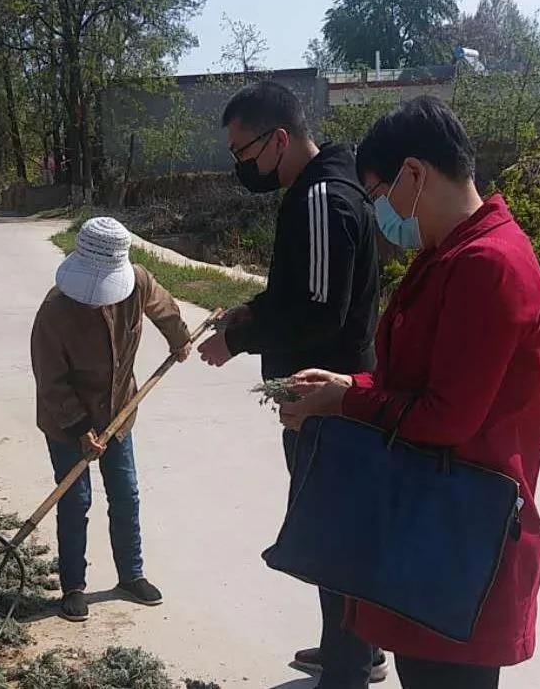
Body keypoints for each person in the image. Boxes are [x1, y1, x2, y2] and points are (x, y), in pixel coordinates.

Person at [280, 96, 540, 689]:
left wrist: (345, 404)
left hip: (461, 544)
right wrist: (349, 382)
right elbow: (413, 381)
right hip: (427, 534)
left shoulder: (490, 266)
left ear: (414, 173)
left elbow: (445, 418)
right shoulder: (446, 256)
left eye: (378, 195)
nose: (382, 211)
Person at [197, 81, 384, 685]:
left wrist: (238, 340)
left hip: (327, 399)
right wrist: (250, 311)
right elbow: (297, 291)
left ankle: (350, 666)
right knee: (333, 528)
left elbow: (319, 311)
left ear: (279, 139)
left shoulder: (324, 198)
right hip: (313, 394)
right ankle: (353, 649)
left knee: (332, 536)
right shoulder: (312, 188)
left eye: (244, 152)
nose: (240, 166)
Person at [30, 216, 192, 622]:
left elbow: (164, 307)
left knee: (126, 493)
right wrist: (80, 429)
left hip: (120, 411)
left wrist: (180, 338)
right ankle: (73, 585)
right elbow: (51, 382)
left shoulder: (136, 282)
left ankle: (131, 575)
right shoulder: (54, 312)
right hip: (66, 422)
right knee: (75, 499)